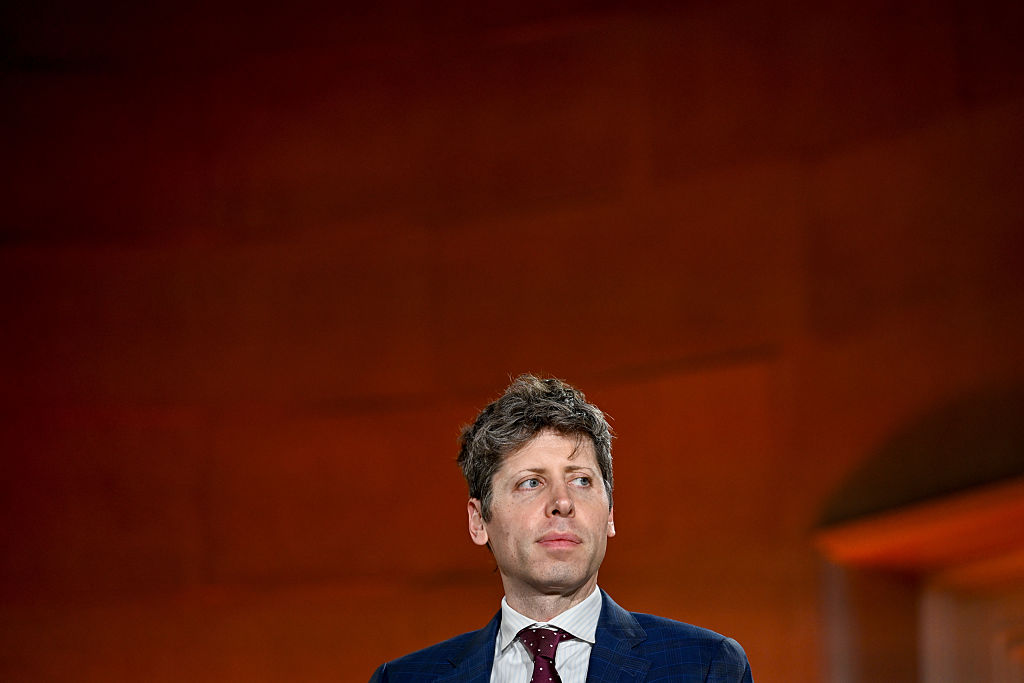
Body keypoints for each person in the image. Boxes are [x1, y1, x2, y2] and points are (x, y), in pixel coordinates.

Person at [370, 374, 753, 682]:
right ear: (478, 521)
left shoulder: (705, 667)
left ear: (610, 514)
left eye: (581, 480)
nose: (563, 502)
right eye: (531, 482)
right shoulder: (402, 678)